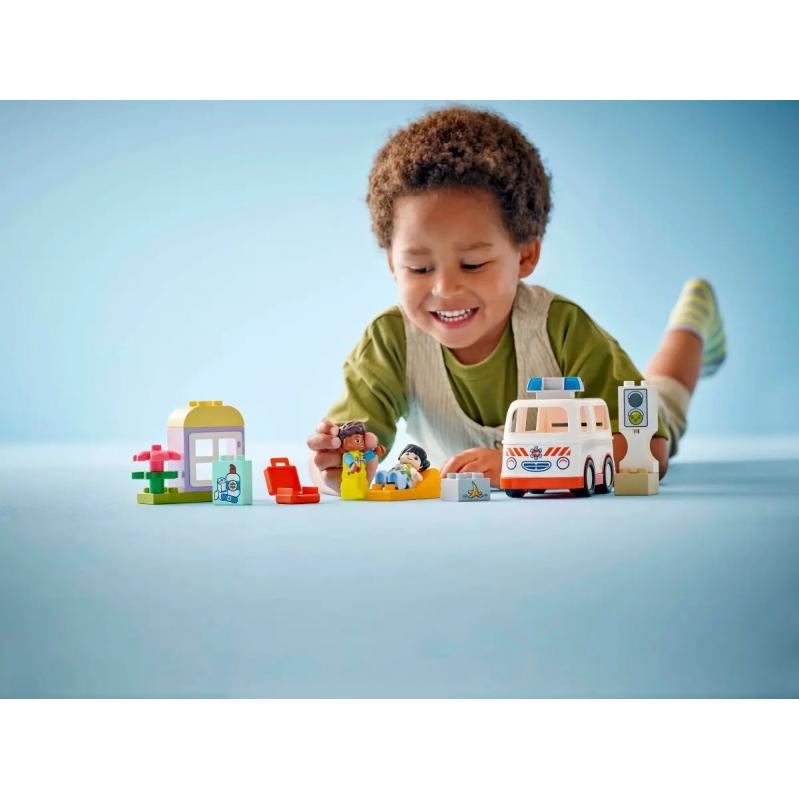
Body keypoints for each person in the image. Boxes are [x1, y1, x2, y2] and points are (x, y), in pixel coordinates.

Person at [307, 106, 726, 495]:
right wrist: (333, 465)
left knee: (662, 397)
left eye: (473, 264)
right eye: (419, 268)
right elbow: (339, 451)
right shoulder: (390, 341)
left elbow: (647, 450)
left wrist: (519, 465)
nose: (445, 289)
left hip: (638, 416)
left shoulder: (561, 330)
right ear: (392, 264)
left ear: (525, 255)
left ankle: (694, 317)